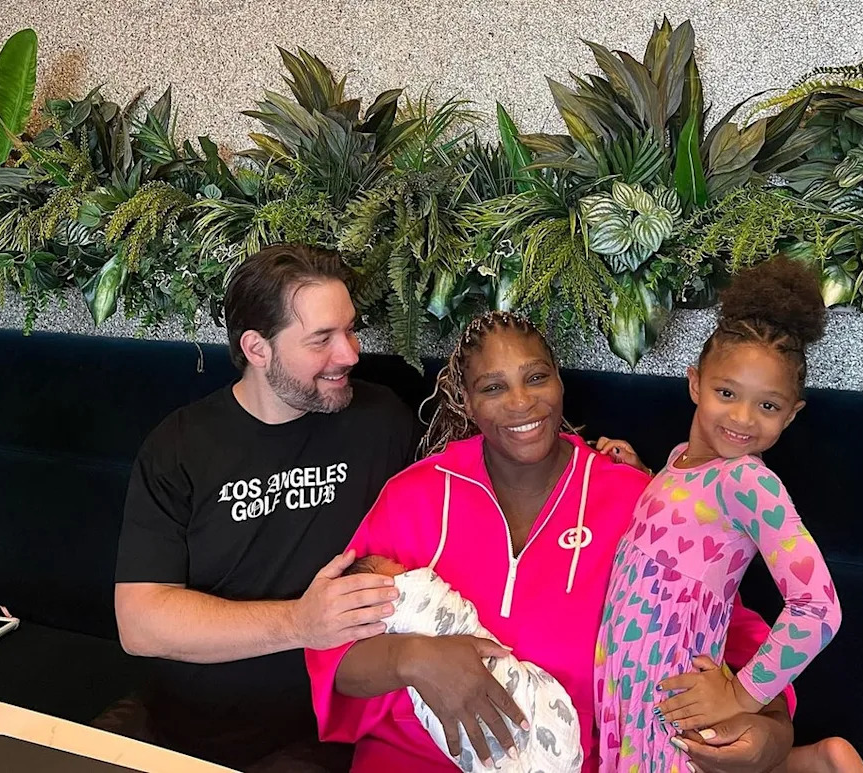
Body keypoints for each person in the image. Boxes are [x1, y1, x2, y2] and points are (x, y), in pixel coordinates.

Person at [305, 310, 797, 773]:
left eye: (537, 377)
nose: (521, 402)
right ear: (467, 402)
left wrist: (773, 733)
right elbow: (334, 650)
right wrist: (412, 659)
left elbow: (726, 628)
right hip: (410, 759)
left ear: (560, 382)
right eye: (493, 387)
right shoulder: (413, 496)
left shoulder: (637, 501)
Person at [105, 244, 416, 771]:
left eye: (350, 329)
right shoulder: (180, 446)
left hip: (321, 730)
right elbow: (140, 622)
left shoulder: (381, 420)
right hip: (177, 721)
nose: (349, 354)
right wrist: (299, 622)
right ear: (257, 348)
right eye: (321, 339)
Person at [594, 257, 858, 773]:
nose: (742, 418)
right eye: (727, 393)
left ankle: (815, 763)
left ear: (792, 414)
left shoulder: (750, 483)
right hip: (627, 682)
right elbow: (687, 529)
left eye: (767, 406)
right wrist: (643, 473)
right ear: (695, 383)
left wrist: (740, 694)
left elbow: (819, 609)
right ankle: (812, 763)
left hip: (671, 695)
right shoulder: (680, 461)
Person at [344, 555, 584, 772]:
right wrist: (412, 657)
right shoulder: (389, 534)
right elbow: (336, 650)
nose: (403, 567)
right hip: (400, 756)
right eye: (396, 567)